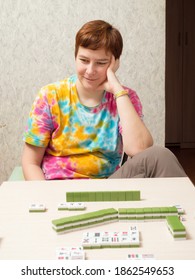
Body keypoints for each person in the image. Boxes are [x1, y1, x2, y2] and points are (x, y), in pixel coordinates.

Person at [22, 20, 186, 180]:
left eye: (101, 63)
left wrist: (117, 89)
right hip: (59, 187)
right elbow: (30, 163)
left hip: (108, 185)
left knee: (160, 155)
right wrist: (48, 199)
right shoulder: (50, 95)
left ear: (114, 63)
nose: (90, 70)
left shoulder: (124, 97)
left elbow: (138, 148)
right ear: (75, 56)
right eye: (84, 60)